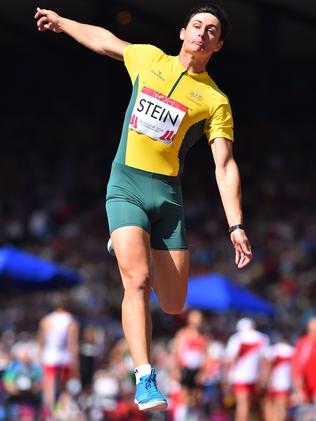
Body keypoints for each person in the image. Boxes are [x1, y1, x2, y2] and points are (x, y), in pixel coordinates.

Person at [34, 3, 253, 412]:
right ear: (183, 32)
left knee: (173, 303)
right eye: (197, 25)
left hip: (167, 197)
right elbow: (105, 41)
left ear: (218, 45)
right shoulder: (149, 59)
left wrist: (235, 224)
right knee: (136, 280)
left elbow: (225, 165)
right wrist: (63, 23)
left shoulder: (214, 100)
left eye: (212, 30)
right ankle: (145, 377)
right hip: (127, 184)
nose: (203, 33)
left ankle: (126, 239)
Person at [38, 299, 80, 414]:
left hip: (50, 355)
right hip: (64, 355)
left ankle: (49, 412)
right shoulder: (71, 320)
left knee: (49, 386)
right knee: (64, 386)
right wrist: (75, 363)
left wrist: (41, 355)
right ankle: (62, 411)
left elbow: (41, 341)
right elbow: (72, 343)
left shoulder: (46, 320)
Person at [223, 318, 269, 421]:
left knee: (242, 404)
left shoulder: (236, 338)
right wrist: (265, 379)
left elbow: (230, 360)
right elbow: (265, 361)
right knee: (249, 405)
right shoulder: (262, 338)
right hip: (255, 377)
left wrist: (226, 378)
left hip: (240, 377)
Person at [261, 336, 294, 421]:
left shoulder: (272, 350)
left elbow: (266, 366)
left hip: (273, 382)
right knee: (281, 406)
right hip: (285, 383)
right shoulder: (293, 351)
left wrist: (265, 380)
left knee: (269, 404)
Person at [292, 317, 316, 405]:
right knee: (304, 408)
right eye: (310, 330)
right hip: (305, 382)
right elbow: (297, 362)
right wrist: (297, 378)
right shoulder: (303, 342)